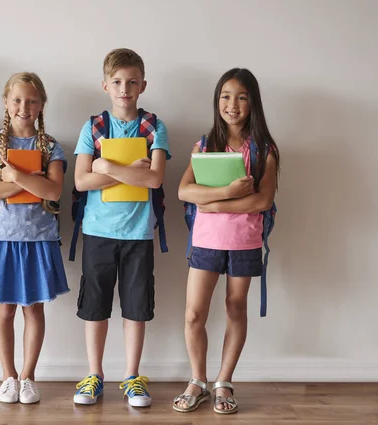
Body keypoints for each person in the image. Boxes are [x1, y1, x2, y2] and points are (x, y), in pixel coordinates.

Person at [175, 68, 280, 414]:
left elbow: (262, 201)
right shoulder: (205, 145)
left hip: (245, 242)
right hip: (206, 241)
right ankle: (198, 380)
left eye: (241, 97)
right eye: (225, 96)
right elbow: (183, 191)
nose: (232, 105)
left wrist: (212, 203)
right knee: (194, 315)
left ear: (253, 103)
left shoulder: (265, 148)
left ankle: (224, 381)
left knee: (235, 308)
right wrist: (228, 192)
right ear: (217, 101)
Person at [72, 48, 171, 408]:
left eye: (131, 82)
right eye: (117, 82)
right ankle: (94, 375)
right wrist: (131, 170)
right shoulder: (93, 126)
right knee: (95, 306)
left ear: (143, 85)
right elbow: (82, 181)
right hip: (97, 230)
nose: (124, 88)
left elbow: (156, 179)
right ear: (105, 85)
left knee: (136, 307)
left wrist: (106, 166)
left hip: (139, 233)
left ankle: (132, 377)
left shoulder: (155, 126)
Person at [0, 72, 69, 404]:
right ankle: (8, 377)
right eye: (17, 100)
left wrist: (13, 176)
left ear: (41, 105)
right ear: (6, 103)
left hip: (39, 238)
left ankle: (28, 377)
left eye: (31, 101)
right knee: (4, 311)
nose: (23, 107)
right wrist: (24, 179)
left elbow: (53, 191)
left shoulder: (50, 146)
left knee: (33, 310)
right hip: (0, 238)